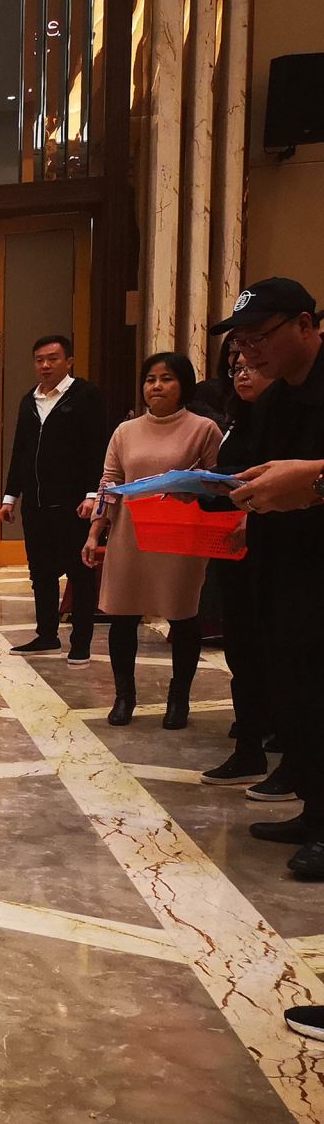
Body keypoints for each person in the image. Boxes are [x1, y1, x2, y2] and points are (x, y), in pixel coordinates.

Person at [212, 277, 324, 880]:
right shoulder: (276, 400)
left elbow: (304, 480)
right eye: (241, 342)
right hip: (283, 568)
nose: (248, 352)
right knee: (295, 691)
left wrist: (312, 482)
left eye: (259, 338)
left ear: (305, 325)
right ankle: (314, 810)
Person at [81, 353, 222, 730]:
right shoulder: (125, 432)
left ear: (183, 385)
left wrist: (191, 489)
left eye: (167, 378)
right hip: (129, 536)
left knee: (183, 615)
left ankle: (179, 699)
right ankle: (124, 696)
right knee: (123, 616)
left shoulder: (204, 429)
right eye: (150, 379)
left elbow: (217, 486)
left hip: (179, 537)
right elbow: (109, 484)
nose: (156, 386)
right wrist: (95, 532)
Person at [200, 343, 287, 794]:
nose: (243, 375)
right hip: (234, 552)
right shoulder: (236, 421)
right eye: (235, 368)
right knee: (242, 651)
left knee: (279, 653)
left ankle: (291, 756)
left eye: (253, 366)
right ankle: (248, 747)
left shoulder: (289, 420)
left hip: (275, 552)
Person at [0, 335, 108, 664]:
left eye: (53, 359)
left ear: (68, 361)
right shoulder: (28, 400)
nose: (45, 366)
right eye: (39, 360)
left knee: (80, 573)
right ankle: (46, 635)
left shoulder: (85, 395)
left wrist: (92, 494)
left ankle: (81, 642)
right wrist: (10, 496)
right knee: (41, 573)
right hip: (36, 505)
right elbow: (20, 451)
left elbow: (97, 447)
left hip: (74, 505)